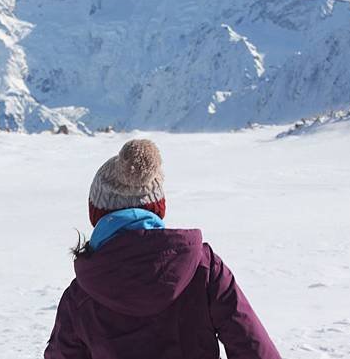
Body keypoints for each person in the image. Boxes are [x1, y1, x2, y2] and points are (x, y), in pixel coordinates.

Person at [44, 139, 281, 359]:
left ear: (96, 213)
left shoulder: (82, 294)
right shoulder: (203, 268)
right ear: (159, 207)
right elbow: (255, 349)